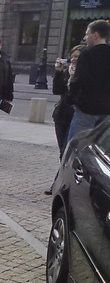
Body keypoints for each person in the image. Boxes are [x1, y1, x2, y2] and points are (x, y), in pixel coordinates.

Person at [45, 44, 85, 195]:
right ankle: (64, 182)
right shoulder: (67, 73)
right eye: (73, 56)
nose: (74, 59)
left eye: (78, 57)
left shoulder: (84, 74)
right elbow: (57, 90)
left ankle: (59, 184)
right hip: (61, 115)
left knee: (66, 151)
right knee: (63, 153)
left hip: (75, 116)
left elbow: (74, 97)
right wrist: (58, 72)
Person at [66, 19, 110, 142]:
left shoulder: (87, 54)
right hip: (106, 110)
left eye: (87, 34)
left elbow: (79, 80)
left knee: (77, 144)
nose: (85, 38)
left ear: (95, 35)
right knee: (98, 145)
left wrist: (70, 99)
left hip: (87, 108)